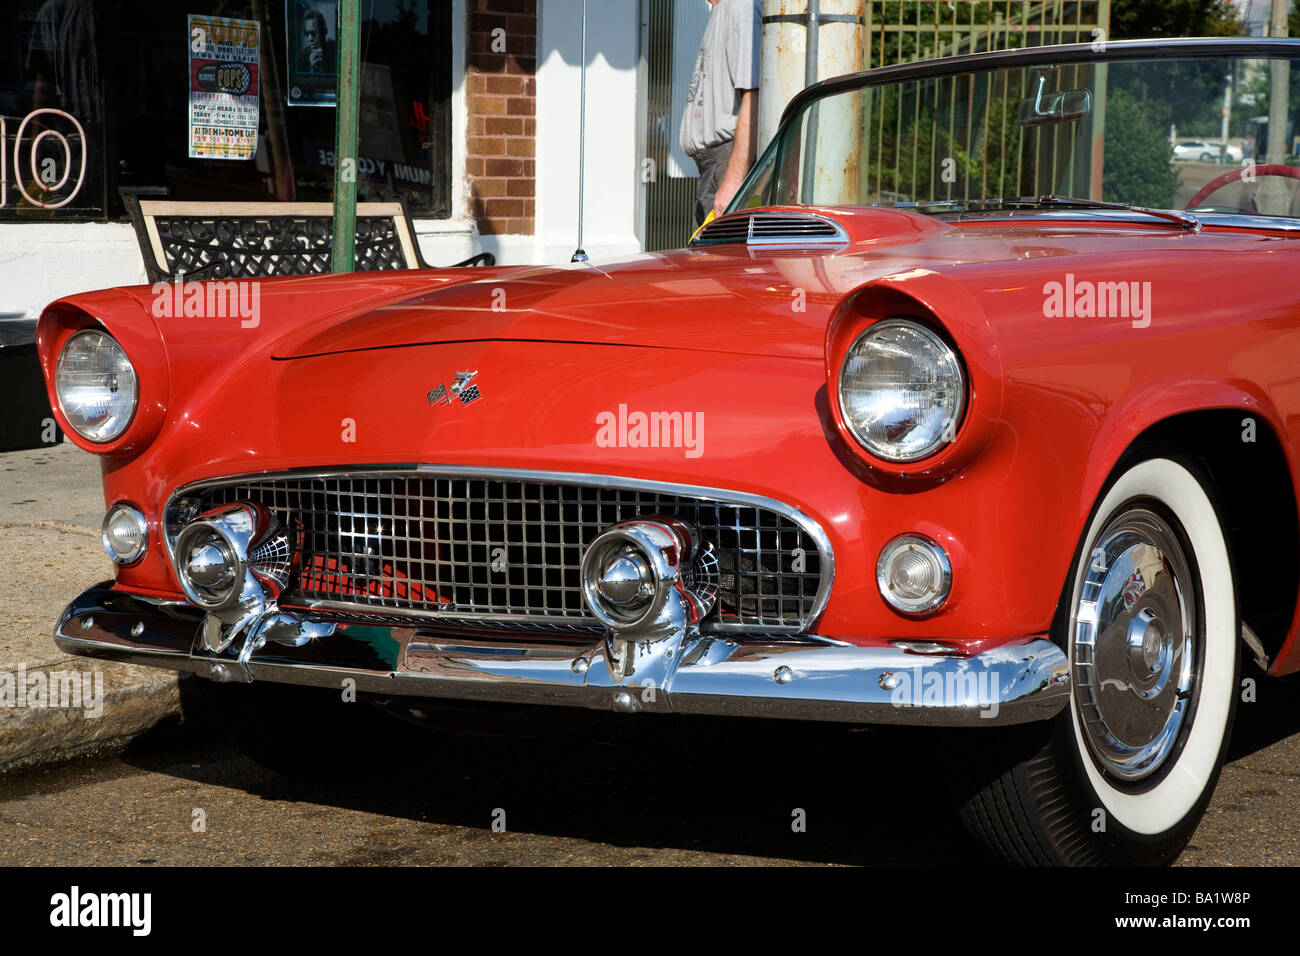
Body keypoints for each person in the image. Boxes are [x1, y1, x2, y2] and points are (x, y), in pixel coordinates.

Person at [680, 0, 761, 228]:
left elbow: (753, 97)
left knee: (718, 259)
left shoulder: (742, 8)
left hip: (725, 163)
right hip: (715, 168)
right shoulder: (727, 10)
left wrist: (733, 182)